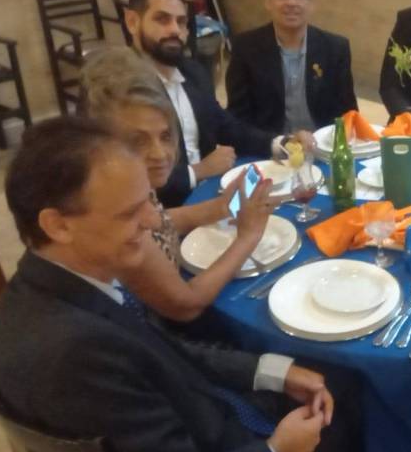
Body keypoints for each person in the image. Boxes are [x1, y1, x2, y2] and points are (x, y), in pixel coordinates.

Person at [0, 117, 348, 452]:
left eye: (148, 201)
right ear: (58, 225)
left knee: (318, 374)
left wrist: (272, 371)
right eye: (129, 213)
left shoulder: (59, 282)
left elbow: (165, 352)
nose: (153, 221)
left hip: (200, 417)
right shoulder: (79, 353)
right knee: (347, 396)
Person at [82, 47, 274, 321]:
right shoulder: (114, 217)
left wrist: (222, 207)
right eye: (138, 141)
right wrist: (248, 237)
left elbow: (161, 222)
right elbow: (187, 305)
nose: (160, 154)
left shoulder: (133, 187)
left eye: (165, 136)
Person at [124, 0, 311, 208]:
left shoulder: (192, 72)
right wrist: (198, 171)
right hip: (163, 211)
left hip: (212, 192)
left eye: (181, 22)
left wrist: (281, 143)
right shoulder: (119, 89)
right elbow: (125, 177)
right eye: (162, 19)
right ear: (132, 22)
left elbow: (226, 126)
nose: (174, 30)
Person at [227, 0, 358, 135]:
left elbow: (348, 113)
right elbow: (237, 117)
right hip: (270, 146)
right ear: (268, 2)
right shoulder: (245, 48)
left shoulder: (335, 48)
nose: (291, 2)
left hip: (322, 144)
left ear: (310, 4)